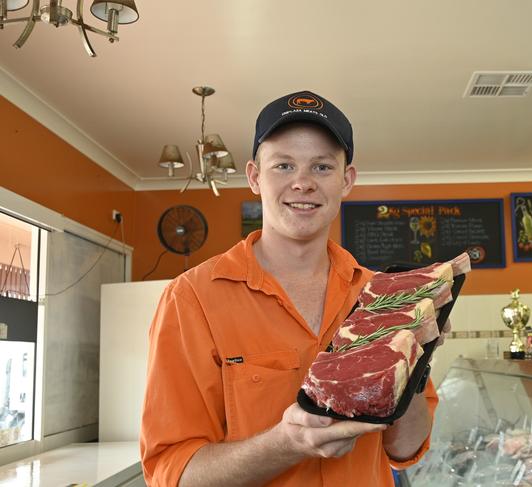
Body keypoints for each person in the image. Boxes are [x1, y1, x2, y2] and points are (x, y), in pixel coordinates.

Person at [140, 91, 439, 487]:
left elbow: (404, 450)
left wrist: (416, 360)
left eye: (321, 167)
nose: (302, 183)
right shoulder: (191, 298)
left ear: (346, 180)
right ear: (253, 177)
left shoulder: (381, 296)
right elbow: (171, 474)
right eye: (283, 165)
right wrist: (286, 443)